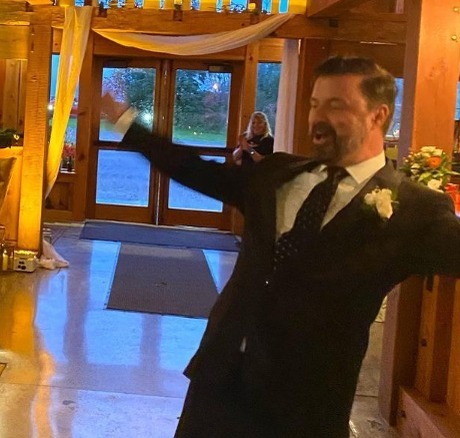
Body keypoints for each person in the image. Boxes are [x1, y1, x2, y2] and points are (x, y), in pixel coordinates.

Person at [107, 56, 460, 437]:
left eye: (335, 105)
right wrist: (127, 123)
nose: (317, 117)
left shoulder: (415, 209)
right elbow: (195, 169)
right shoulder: (279, 172)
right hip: (220, 378)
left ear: (378, 115)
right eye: (313, 103)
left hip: (306, 406)